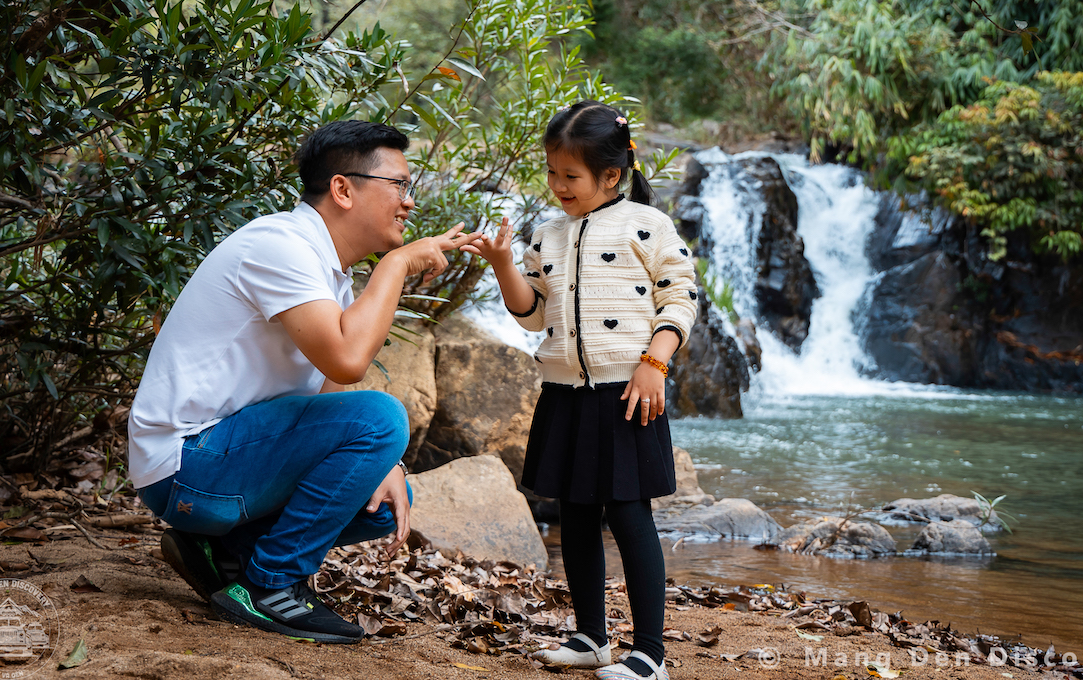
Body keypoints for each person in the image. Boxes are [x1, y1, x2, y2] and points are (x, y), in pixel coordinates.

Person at [128, 119, 479, 644]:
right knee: (384, 416)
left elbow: (326, 391)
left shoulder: (325, 270)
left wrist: (385, 460)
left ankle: (225, 552)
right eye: (399, 185)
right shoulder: (280, 246)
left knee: (384, 497)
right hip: (185, 467)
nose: (408, 201)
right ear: (343, 188)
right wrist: (397, 265)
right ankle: (270, 586)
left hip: (221, 463)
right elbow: (347, 361)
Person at [463, 100, 697, 680]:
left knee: (629, 515)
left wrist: (655, 362)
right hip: (565, 392)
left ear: (611, 175)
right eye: (551, 173)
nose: (557, 185)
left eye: (570, 176)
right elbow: (533, 314)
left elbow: (680, 297)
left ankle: (649, 653)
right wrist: (501, 265)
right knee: (575, 514)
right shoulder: (548, 235)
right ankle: (592, 636)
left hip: (629, 391)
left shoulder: (649, 225)